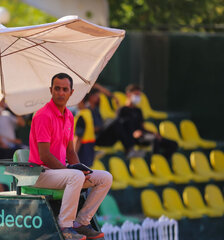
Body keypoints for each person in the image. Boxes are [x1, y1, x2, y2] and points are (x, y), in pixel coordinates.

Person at [29, 73, 112, 240]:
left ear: (71, 92)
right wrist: (71, 170)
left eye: (64, 89)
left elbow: (71, 152)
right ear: (51, 90)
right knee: (75, 176)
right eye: (57, 89)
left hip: (59, 173)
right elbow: (44, 155)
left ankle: (81, 222)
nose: (60, 92)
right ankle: (65, 226)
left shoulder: (69, 116)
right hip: (40, 173)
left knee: (105, 177)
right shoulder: (43, 115)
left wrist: (83, 170)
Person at [117, 84, 178, 159]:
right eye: (136, 95)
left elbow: (142, 127)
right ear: (128, 95)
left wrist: (153, 133)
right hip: (132, 138)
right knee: (154, 140)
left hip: (143, 135)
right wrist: (133, 133)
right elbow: (120, 128)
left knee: (173, 144)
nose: (138, 97)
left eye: (139, 95)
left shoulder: (138, 111)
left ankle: (162, 161)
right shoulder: (122, 110)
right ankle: (155, 162)